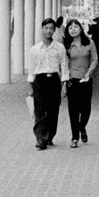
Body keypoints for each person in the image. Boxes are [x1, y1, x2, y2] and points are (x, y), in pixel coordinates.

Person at [27, 17, 68, 150]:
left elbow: (64, 66)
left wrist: (64, 85)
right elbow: (32, 69)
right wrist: (30, 86)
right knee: (39, 111)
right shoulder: (34, 49)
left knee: (52, 111)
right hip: (40, 81)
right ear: (42, 29)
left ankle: (49, 136)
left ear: (54, 30)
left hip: (54, 81)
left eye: (51, 28)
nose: (48, 31)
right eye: (46, 28)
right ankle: (41, 138)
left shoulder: (59, 48)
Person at [62, 18, 98, 147]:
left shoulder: (89, 42)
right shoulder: (66, 45)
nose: (73, 29)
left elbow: (94, 59)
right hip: (72, 80)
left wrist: (89, 72)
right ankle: (74, 137)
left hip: (86, 80)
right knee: (73, 110)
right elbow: (64, 63)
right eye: (70, 28)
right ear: (67, 30)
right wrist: (66, 79)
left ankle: (82, 127)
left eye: (75, 27)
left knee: (86, 109)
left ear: (81, 28)